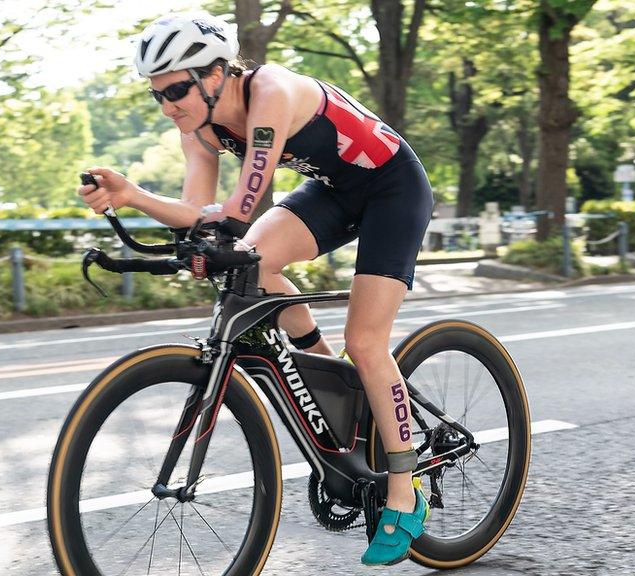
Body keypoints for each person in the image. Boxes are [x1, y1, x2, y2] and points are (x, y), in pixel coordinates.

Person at [77, 12, 434, 566]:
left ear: (216, 73)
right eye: (158, 96)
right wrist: (132, 195)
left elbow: (245, 201)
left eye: (176, 89)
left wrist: (211, 232)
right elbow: (198, 210)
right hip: (336, 189)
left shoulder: (269, 91)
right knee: (254, 265)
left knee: (366, 341)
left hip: (392, 187)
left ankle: (404, 494)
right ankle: (331, 381)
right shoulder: (197, 126)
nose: (169, 105)